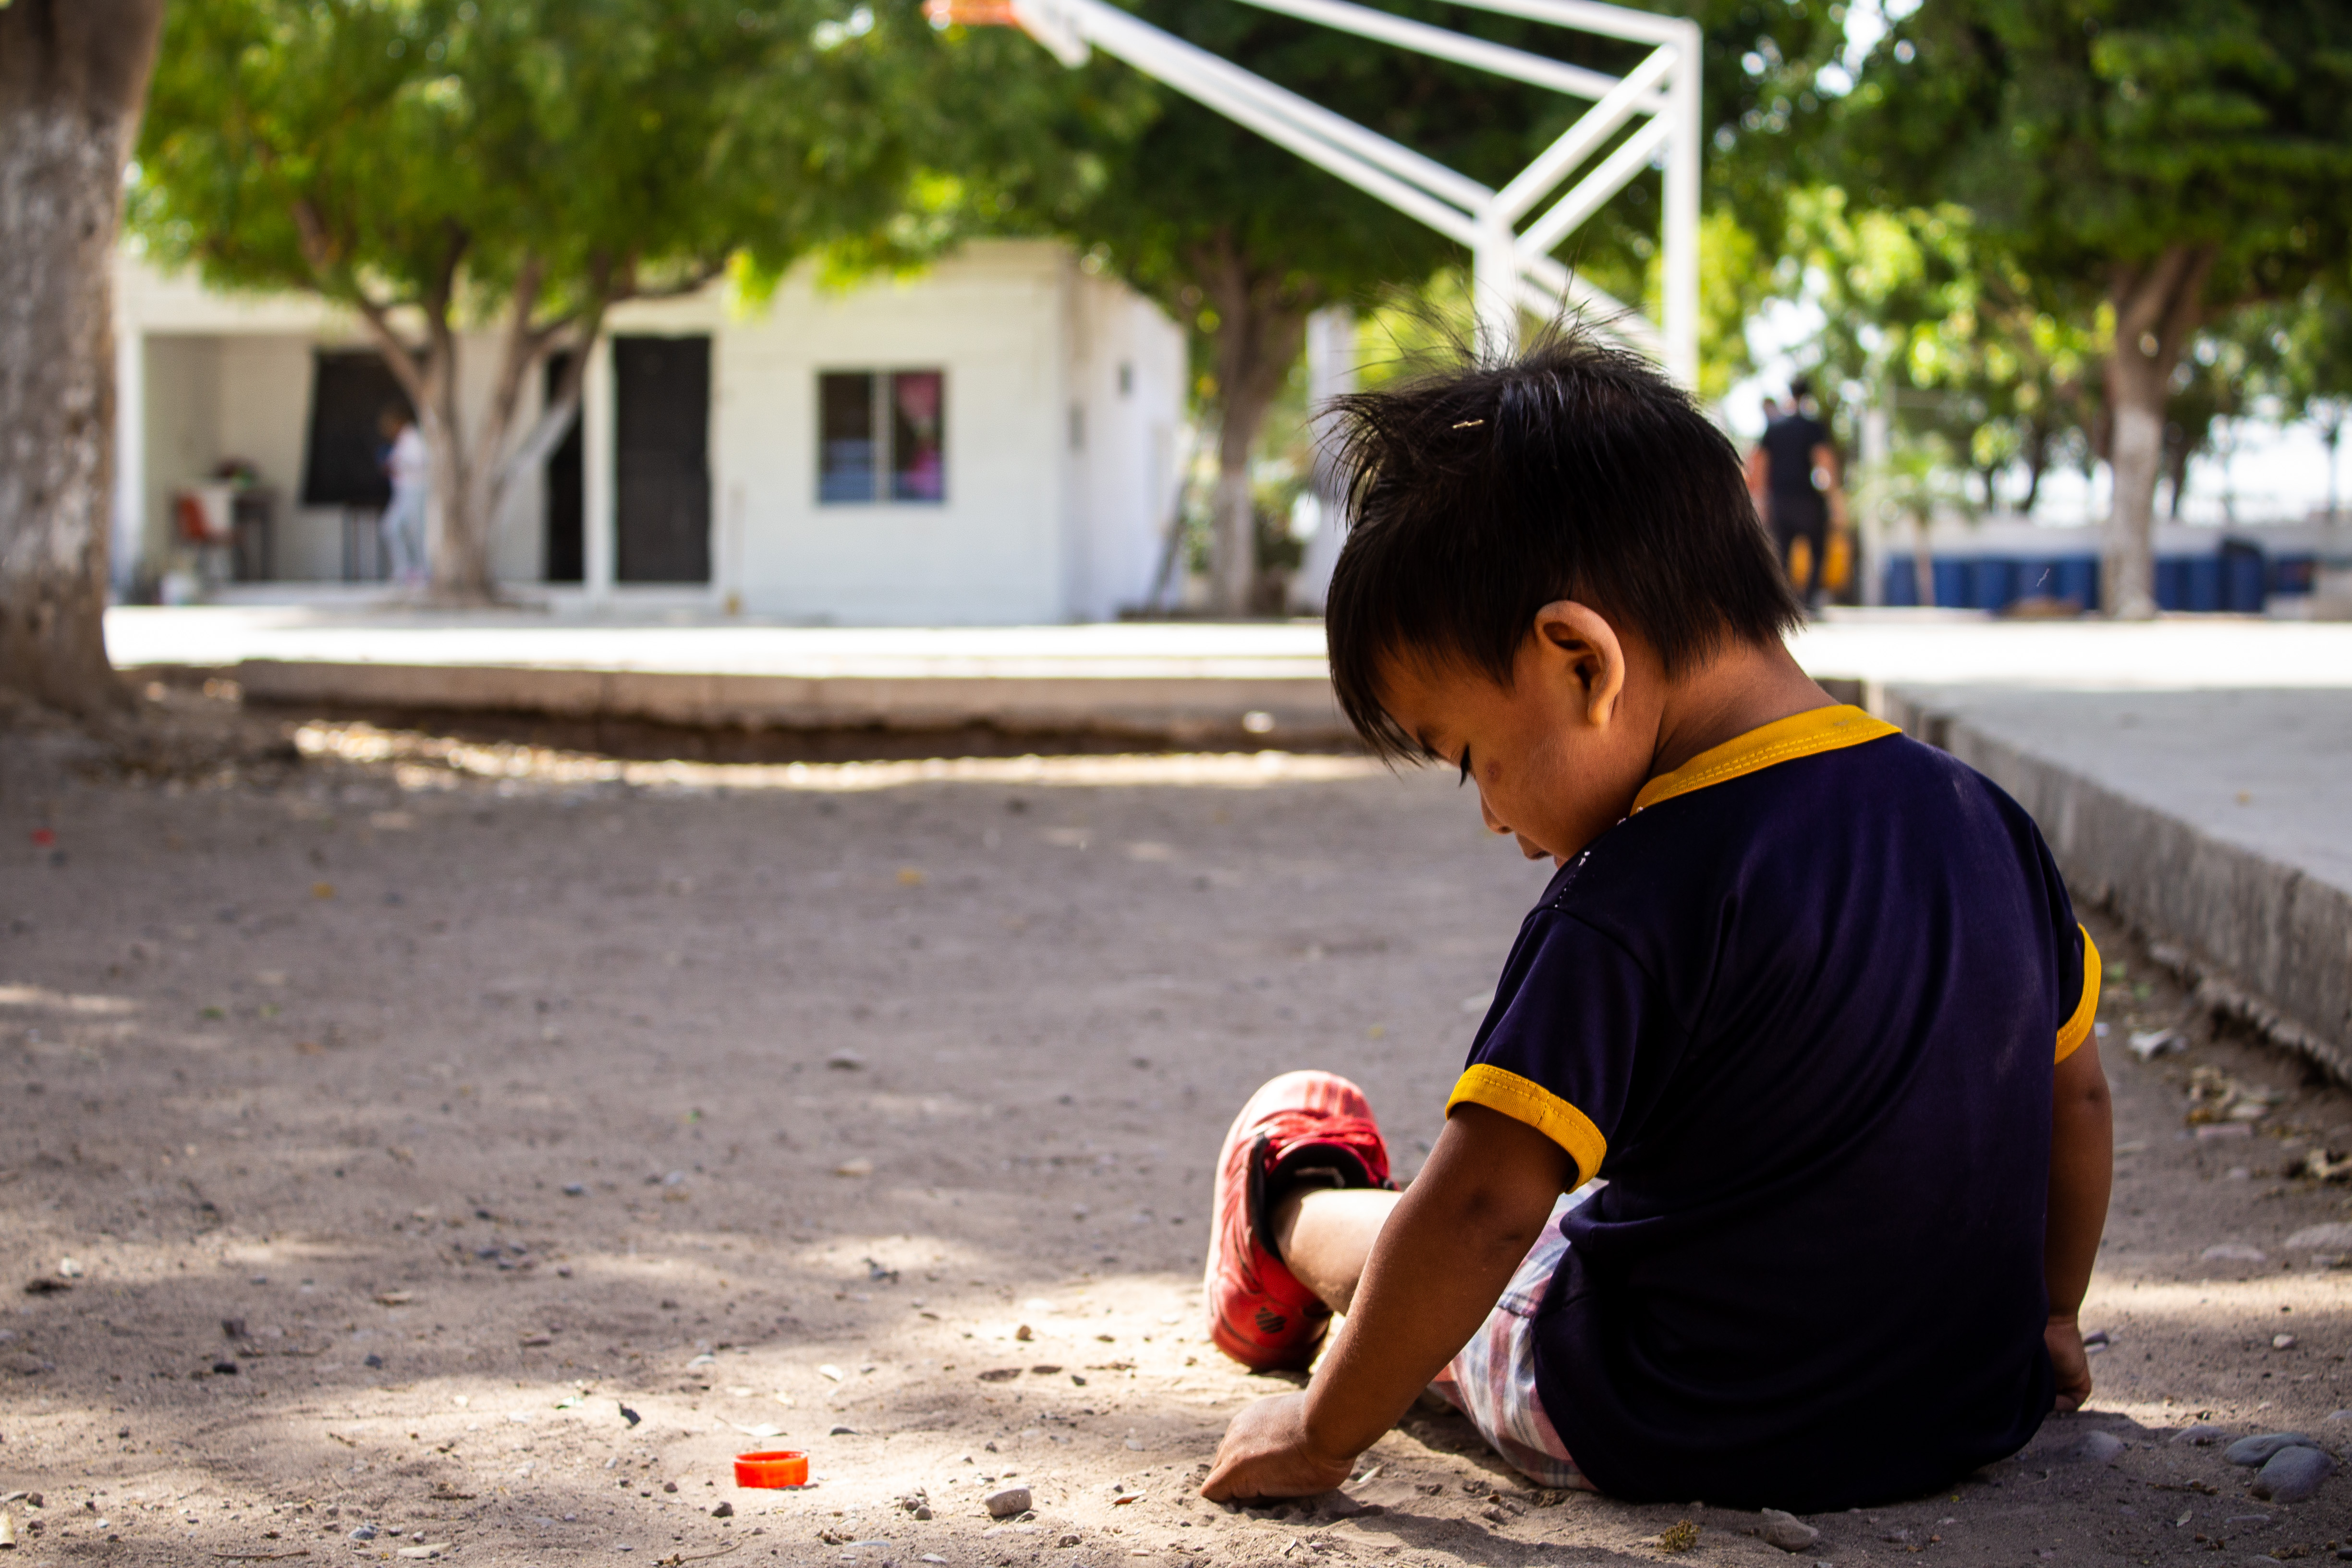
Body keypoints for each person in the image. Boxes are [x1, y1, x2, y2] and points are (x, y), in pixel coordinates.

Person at [1197, 332, 2110, 1515]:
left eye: (1467, 756)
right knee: (1584, 1204)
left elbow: (1482, 1209)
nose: (1488, 815)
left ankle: (1288, 1200)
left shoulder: (1629, 894)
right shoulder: (1980, 816)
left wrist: (1319, 1435)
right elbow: (2074, 1098)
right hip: (1963, 1403)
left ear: (1579, 659)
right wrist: (2044, 1317)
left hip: (1674, 1410)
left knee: (1487, 1252)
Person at [1747, 377, 1842, 610]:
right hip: (1807, 499)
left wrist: (1759, 501)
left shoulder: (1776, 427)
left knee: (1782, 551)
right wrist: (1834, 497)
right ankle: (1808, 601)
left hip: (1780, 499)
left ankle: (1786, 602)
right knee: (1818, 550)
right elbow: (1824, 461)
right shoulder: (1812, 426)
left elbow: (1759, 464)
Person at [378, 407, 430, 587]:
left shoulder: (412, 437)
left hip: (415, 491)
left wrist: (398, 466)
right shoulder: (401, 441)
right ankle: (405, 570)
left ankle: (420, 571)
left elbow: (421, 463)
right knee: (392, 527)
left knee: (415, 531)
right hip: (402, 493)